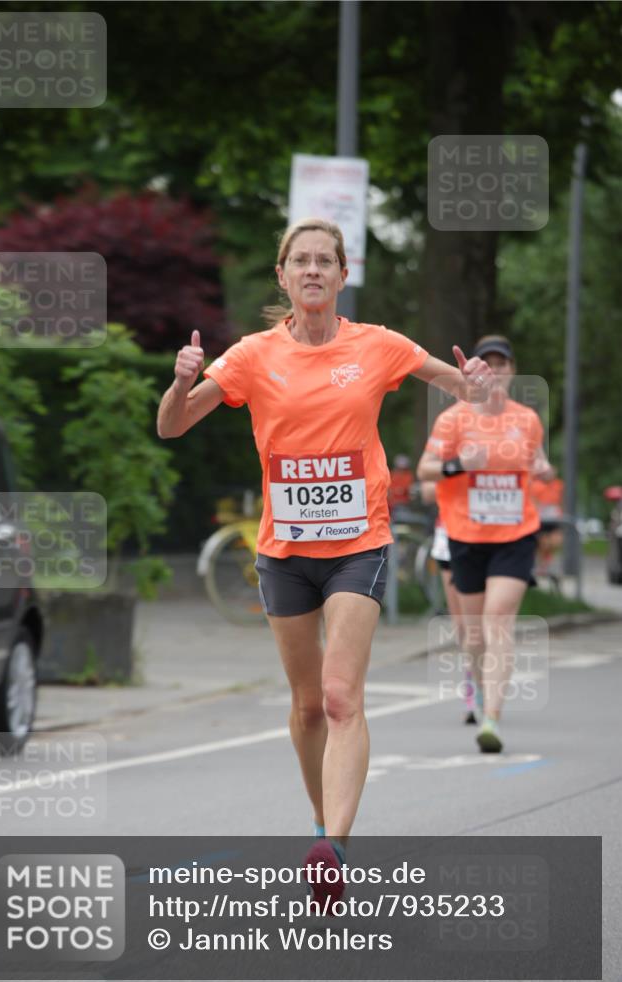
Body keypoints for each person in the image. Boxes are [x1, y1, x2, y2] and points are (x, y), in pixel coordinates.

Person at [157, 217, 493, 908]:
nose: (312, 270)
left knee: (341, 697)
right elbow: (172, 425)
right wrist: (180, 381)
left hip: (357, 543)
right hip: (283, 551)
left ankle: (332, 847)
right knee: (307, 706)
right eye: (299, 261)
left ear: (343, 276)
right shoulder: (250, 356)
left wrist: (478, 382)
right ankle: (319, 820)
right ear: (281, 275)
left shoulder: (377, 346)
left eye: (324, 262)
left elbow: (459, 388)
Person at [417, 334, 554, 754]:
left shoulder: (527, 419)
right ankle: (476, 685)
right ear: (474, 373)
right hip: (465, 536)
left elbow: (537, 466)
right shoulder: (454, 420)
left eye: (503, 365)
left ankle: (492, 718)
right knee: (473, 635)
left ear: (513, 372)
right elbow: (425, 471)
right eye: (487, 365)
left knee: (499, 620)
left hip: (515, 535)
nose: (494, 372)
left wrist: (544, 469)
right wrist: (461, 465)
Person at [419, 480, 477, 724]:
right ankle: (473, 692)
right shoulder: (446, 445)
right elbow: (427, 492)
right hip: (450, 535)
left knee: (486, 623)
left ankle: (486, 686)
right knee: (463, 626)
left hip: (491, 537)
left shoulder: (503, 446)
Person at [530, 475, 564, 579]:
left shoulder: (558, 484)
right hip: (541, 519)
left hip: (554, 518)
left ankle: (544, 564)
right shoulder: (535, 485)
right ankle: (541, 565)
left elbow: (561, 500)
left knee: (555, 541)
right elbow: (533, 501)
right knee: (543, 543)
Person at [388, 454, 415, 519]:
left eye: (403, 468)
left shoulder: (408, 475)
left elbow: (408, 490)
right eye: (399, 467)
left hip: (403, 504)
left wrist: (399, 491)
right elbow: (389, 490)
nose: (400, 470)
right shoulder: (392, 474)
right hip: (390, 504)